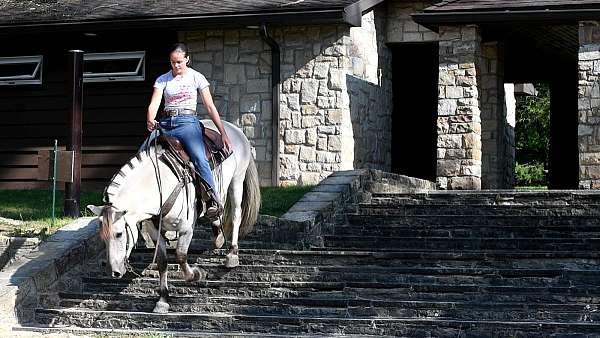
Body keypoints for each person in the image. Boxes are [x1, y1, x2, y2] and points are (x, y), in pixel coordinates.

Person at [146, 42, 232, 220]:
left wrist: (223, 132)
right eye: (172, 62)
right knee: (144, 152)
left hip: (188, 123)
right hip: (166, 122)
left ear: (187, 59)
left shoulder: (196, 77)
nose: (176, 66)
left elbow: (209, 106)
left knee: (199, 158)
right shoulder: (163, 79)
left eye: (179, 62)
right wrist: (150, 118)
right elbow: (154, 103)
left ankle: (213, 199)